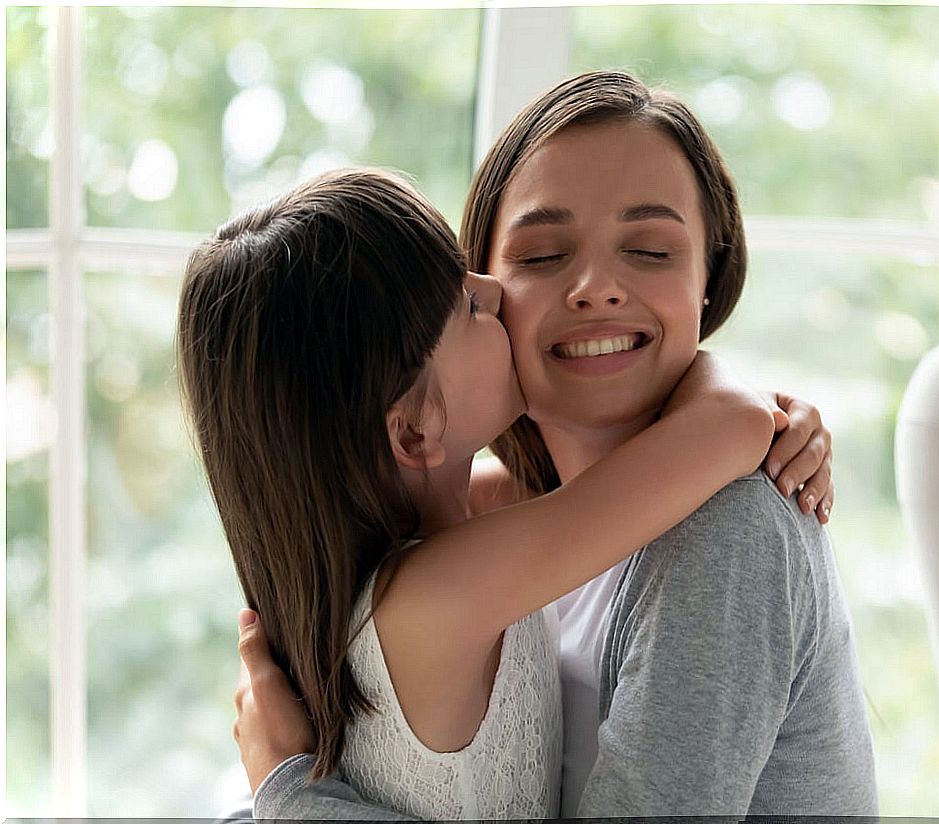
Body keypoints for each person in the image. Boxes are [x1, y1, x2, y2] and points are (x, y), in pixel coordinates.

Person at [230, 71, 875, 818]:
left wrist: (289, 801)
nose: (595, 288)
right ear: (489, 291)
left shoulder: (732, 528)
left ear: (710, 277)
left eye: (651, 250)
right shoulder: (488, 523)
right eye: (540, 258)